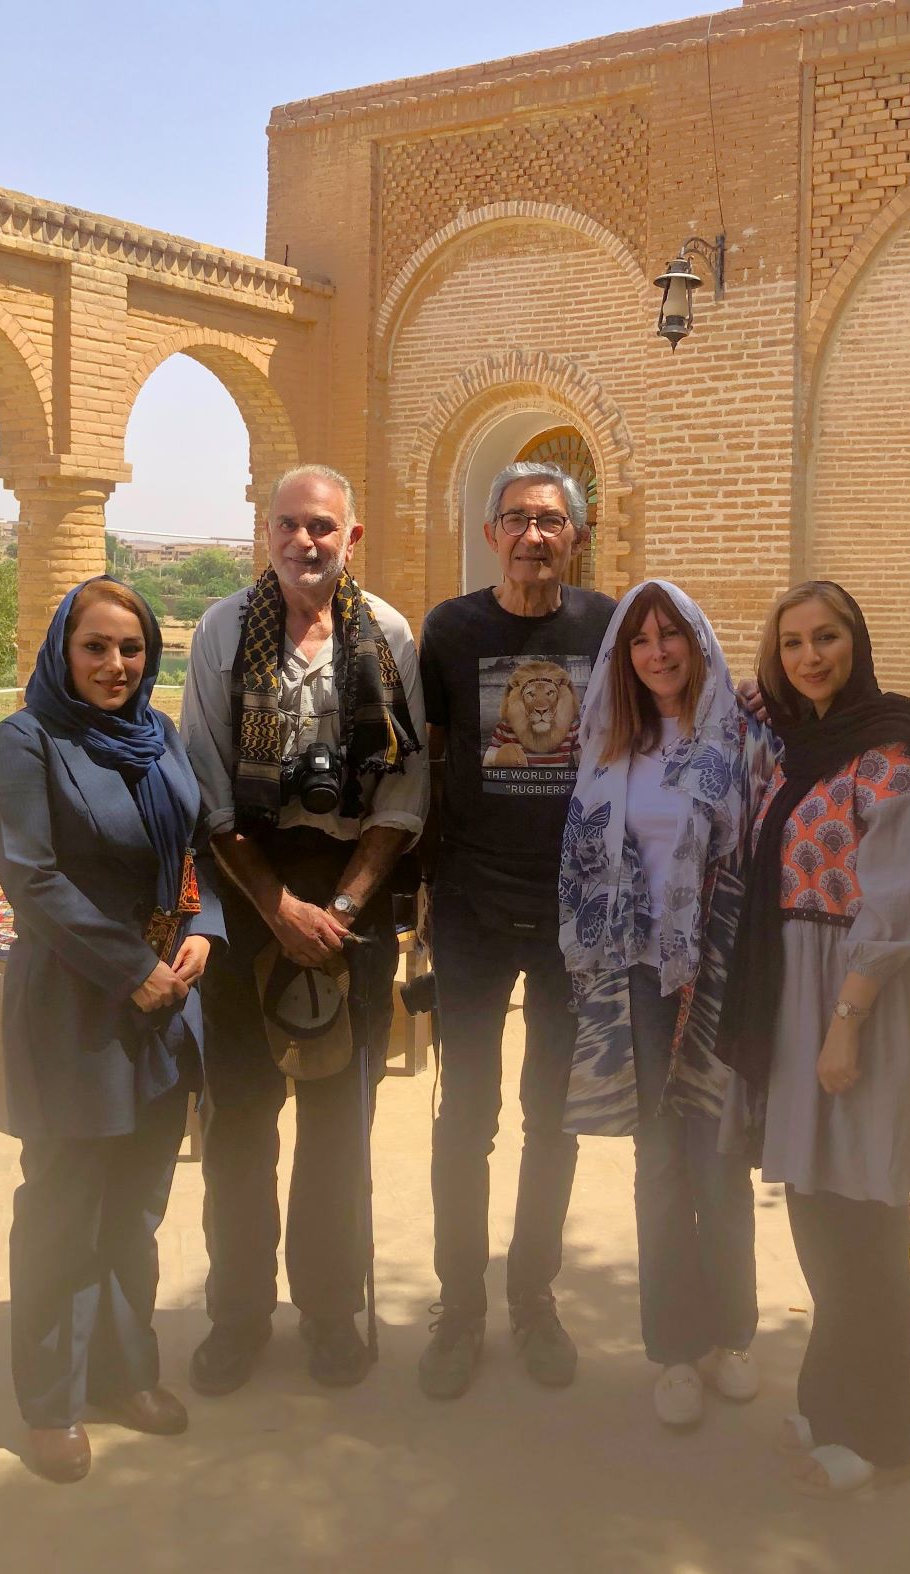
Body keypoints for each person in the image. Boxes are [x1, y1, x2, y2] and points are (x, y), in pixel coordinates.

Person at [716, 580, 910, 1496]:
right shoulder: (802, 752)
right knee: (817, 1213)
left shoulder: (892, 756)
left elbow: (903, 906)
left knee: (865, 1224)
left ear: (855, 640)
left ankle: (879, 1438)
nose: (808, 657)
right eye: (790, 643)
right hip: (800, 1002)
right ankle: (831, 1401)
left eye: (825, 637)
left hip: (858, 1006)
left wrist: (845, 1027)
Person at [180, 463, 427, 1394]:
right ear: (266, 534)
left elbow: (404, 797)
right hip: (249, 888)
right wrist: (277, 909)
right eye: (287, 525)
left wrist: (343, 910)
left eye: (322, 527)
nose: (304, 543)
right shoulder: (218, 631)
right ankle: (238, 1316)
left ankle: (328, 1313)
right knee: (240, 1123)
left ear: (350, 537)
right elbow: (205, 787)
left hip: (348, 897)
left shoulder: (389, 634)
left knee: (337, 1131)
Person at [0, 576, 225, 1485]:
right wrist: (133, 969)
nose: (116, 665)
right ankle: (51, 1400)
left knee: (136, 1210)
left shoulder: (157, 738)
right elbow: (33, 882)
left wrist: (203, 931)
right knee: (63, 1211)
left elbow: (191, 851)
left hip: (163, 1011)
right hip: (77, 1009)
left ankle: (126, 1376)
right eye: (96, 647)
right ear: (62, 651)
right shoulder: (24, 744)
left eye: (130, 649)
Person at [416, 460, 616, 1399]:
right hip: (470, 908)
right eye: (516, 520)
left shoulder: (605, 625)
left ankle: (533, 1298)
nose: (533, 536)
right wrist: (418, 897)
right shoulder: (452, 631)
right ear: (492, 532)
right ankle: (459, 1308)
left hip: (571, 912)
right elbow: (427, 761)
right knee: (466, 1117)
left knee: (551, 1117)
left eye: (551, 520)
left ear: (574, 535)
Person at [560, 580, 775, 1428]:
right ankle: (674, 1350)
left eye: (670, 636)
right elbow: (581, 854)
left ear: (694, 643)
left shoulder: (743, 732)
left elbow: (766, 838)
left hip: (719, 974)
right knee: (659, 1165)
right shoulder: (609, 742)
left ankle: (732, 1336)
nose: (656, 651)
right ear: (623, 653)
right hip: (637, 978)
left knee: (718, 1159)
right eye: (639, 639)